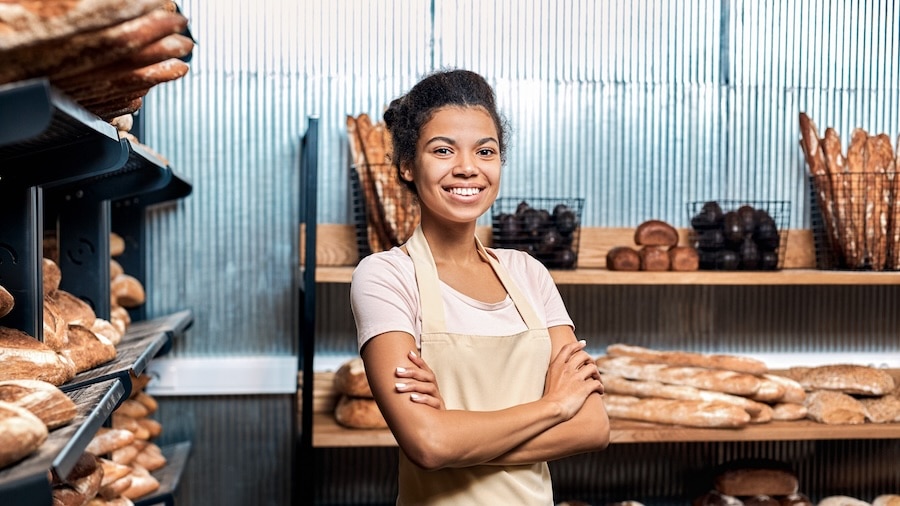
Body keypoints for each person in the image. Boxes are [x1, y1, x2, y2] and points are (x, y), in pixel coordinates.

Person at [350, 68, 609, 505]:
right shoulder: (385, 276)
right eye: (443, 150)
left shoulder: (529, 273)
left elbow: (592, 426)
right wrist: (553, 407)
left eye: (485, 151)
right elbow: (428, 445)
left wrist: (456, 432)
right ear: (409, 165)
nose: (467, 167)